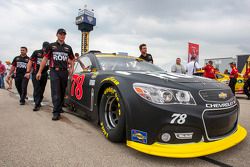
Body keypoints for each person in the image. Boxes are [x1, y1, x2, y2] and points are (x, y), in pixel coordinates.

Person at [36, 28, 75, 121]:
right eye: (60, 34)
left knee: (62, 91)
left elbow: (72, 59)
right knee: (56, 91)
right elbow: (45, 59)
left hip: (64, 72)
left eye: (64, 34)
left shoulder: (68, 48)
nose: (62, 36)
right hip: (54, 71)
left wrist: (71, 70)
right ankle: (55, 112)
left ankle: (59, 107)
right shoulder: (51, 46)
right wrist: (39, 71)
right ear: (57, 35)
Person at [25, 42, 50, 111]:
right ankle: (36, 104)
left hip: (44, 74)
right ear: (43, 47)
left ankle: (39, 101)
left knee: (42, 89)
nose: (46, 50)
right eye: (45, 48)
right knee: (37, 88)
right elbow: (30, 61)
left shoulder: (50, 54)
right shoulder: (36, 52)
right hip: (36, 73)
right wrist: (28, 71)